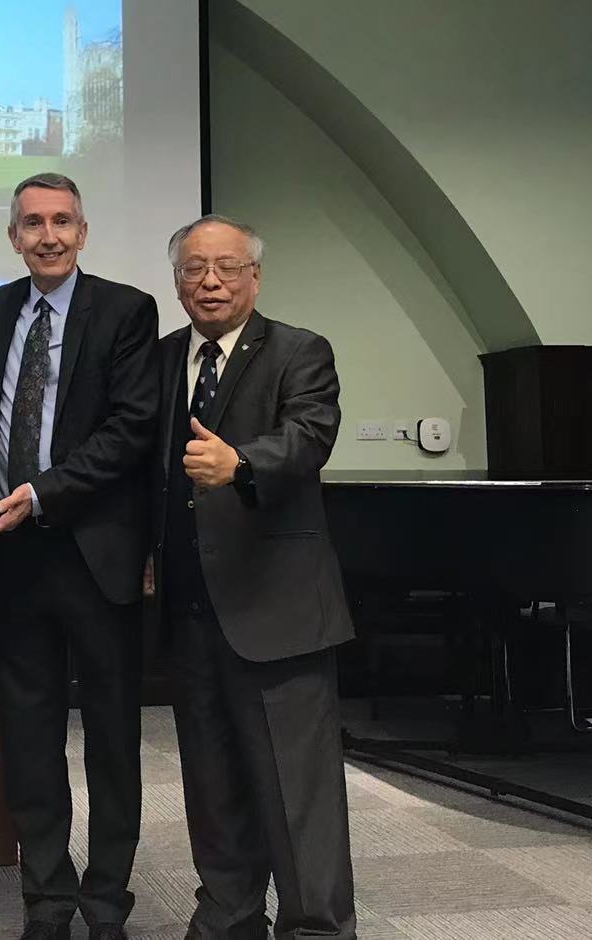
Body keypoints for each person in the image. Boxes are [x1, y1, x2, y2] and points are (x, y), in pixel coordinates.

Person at [151, 214, 356, 940]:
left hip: (278, 608)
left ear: (255, 277)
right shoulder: (162, 357)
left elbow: (310, 436)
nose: (210, 282)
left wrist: (240, 464)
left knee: (298, 793)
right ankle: (230, 917)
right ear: (177, 282)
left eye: (227, 267)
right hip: (190, 609)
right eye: (194, 269)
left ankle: (316, 929)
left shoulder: (300, 351)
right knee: (211, 782)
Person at [0, 172, 158, 940]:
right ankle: (46, 899)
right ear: (13, 236)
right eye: (33, 223)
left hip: (95, 554)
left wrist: (43, 493)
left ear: (82, 232)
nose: (48, 236)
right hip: (15, 558)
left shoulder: (126, 309)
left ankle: (106, 901)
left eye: (62, 222)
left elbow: (132, 427)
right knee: (29, 735)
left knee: (111, 737)